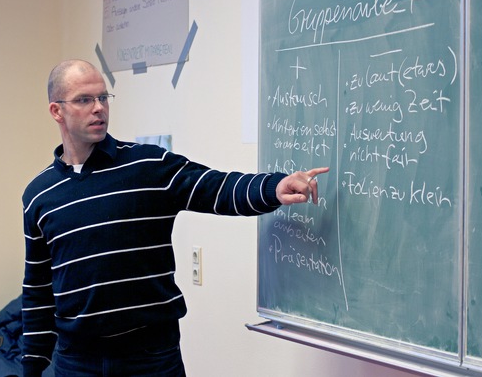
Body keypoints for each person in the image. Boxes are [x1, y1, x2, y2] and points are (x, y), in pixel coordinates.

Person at [21, 59, 328, 377]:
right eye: (85, 100)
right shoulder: (39, 195)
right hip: (77, 361)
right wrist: (32, 367)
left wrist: (274, 187)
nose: (98, 108)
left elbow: (216, 187)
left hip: (150, 356)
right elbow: (38, 288)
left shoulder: (147, 166)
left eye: (103, 97)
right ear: (57, 111)